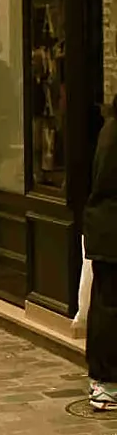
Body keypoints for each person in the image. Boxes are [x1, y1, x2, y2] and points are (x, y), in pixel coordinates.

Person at [84, 96, 117, 410]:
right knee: (108, 307)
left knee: (107, 305)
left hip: (105, 229)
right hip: (110, 231)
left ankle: (104, 381)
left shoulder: (109, 127)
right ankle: (104, 383)